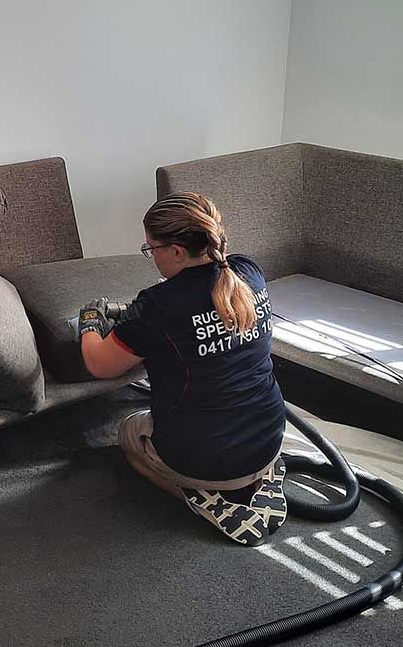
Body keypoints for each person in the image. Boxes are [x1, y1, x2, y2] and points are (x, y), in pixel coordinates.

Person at [77, 192, 288, 546]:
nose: (151, 256)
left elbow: (99, 364)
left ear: (176, 251)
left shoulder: (158, 307)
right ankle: (257, 476)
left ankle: (196, 493)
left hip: (203, 455)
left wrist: (88, 323)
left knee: (129, 431)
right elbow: (200, 309)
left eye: (151, 249)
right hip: (269, 433)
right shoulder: (248, 272)